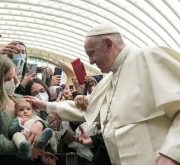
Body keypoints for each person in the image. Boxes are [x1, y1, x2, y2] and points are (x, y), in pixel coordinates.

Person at [27, 24, 180, 165]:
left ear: (108, 43)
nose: (91, 62)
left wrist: (171, 154)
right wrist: (45, 105)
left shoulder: (148, 57)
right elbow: (86, 108)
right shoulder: (109, 79)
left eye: (91, 54)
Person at [0, 54, 56, 165]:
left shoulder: (17, 97)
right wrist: (24, 149)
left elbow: (43, 120)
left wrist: (39, 124)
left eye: (15, 77)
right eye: (8, 78)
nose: (14, 82)